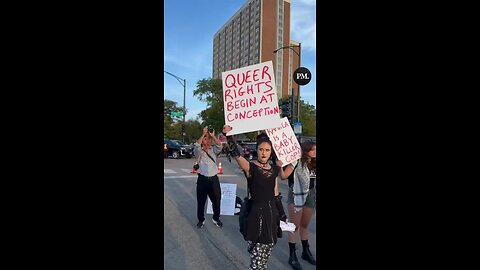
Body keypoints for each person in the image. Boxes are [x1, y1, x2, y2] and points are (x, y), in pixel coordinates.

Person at [223, 125, 295, 270]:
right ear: (257, 150)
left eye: (267, 150)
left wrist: (282, 215)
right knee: (256, 262)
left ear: (271, 152)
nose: (264, 153)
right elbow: (237, 156)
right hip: (256, 218)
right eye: (261, 149)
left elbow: (275, 195)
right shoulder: (251, 168)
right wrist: (229, 136)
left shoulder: (274, 169)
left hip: (271, 218)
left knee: (265, 257)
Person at [285, 141, 317, 269]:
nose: (315, 152)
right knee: (294, 226)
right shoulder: (297, 161)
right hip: (296, 194)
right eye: (313, 149)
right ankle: (292, 256)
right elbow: (284, 176)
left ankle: (305, 251)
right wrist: (280, 166)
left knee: (304, 225)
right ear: (305, 150)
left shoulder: (314, 164)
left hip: (310, 195)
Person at [193, 127, 224, 229]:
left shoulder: (214, 150)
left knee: (216, 201)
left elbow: (219, 145)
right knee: (201, 202)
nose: (208, 141)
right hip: (202, 179)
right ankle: (201, 220)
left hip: (213, 179)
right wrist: (203, 134)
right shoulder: (199, 151)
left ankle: (216, 218)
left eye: (209, 139)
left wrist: (212, 136)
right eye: (206, 139)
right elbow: (197, 144)